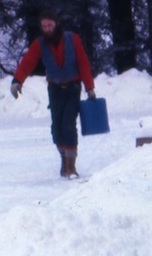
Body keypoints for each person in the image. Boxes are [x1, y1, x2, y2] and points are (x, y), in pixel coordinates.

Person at [11, 10, 96, 179]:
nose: (47, 29)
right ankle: (64, 159)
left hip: (72, 87)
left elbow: (83, 63)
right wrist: (17, 80)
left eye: (50, 25)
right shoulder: (40, 43)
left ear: (56, 24)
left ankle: (71, 167)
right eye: (44, 26)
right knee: (56, 127)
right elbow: (28, 62)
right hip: (54, 89)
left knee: (68, 124)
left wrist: (89, 87)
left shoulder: (73, 39)